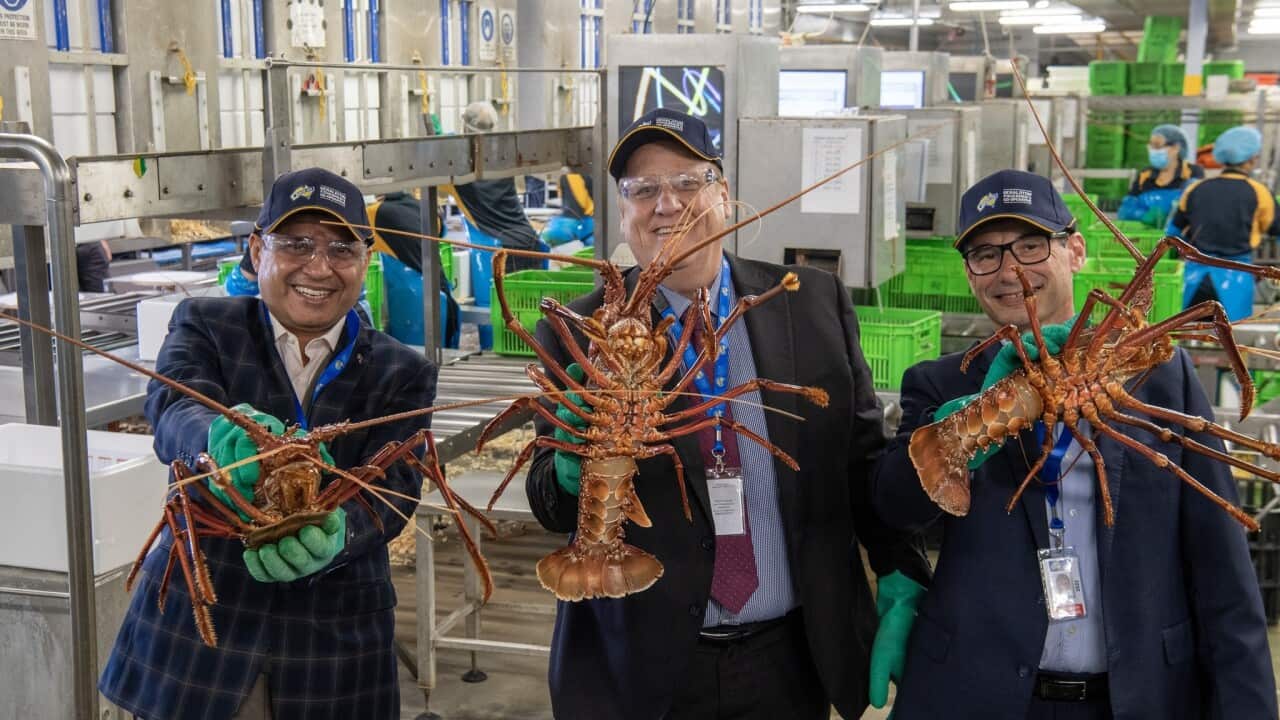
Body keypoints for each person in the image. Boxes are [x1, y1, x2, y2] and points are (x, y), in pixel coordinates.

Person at [523, 108, 931, 720]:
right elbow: (550, 506)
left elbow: (861, 458)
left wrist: (900, 567)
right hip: (644, 663)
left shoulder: (811, 301)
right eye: (643, 190)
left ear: (724, 192)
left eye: (688, 182)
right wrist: (562, 472)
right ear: (623, 211)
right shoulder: (574, 328)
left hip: (792, 657)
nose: (667, 205)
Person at [873, 169, 1276, 719]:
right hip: (978, 694)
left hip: (1136, 696)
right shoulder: (943, 382)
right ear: (969, 274)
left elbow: (1222, 569)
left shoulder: (1162, 375)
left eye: (1032, 245)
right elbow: (894, 507)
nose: (1011, 270)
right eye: (985, 254)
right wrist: (970, 418)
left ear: (1076, 250)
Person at [99, 168, 438, 719]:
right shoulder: (205, 324)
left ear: (366, 259)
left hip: (334, 658)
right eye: (297, 243)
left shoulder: (403, 372)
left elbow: (395, 492)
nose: (319, 267)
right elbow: (169, 408)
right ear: (257, 250)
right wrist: (216, 435)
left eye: (340, 248)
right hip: (196, 652)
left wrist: (340, 534)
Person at [1169, 125, 1280, 321]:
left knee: (1184, 336)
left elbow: (1172, 233)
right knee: (1230, 341)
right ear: (1252, 159)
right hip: (1235, 282)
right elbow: (1277, 230)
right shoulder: (1259, 192)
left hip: (1193, 281)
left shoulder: (1196, 188)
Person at [442, 100, 543, 273]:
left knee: (504, 300)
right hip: (529, 239)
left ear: (465, 127)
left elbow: (435, 185)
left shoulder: (460, 169)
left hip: (502, 249)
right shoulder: (502, 159)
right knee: (529, 299)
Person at [368, 190, 461, 347]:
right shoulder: (423, 206)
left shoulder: (374, 212)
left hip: (410, 297)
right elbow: (441, 231)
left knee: (411, 359)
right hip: (442, 290)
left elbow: (353, 235)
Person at [1118, 124, 1204, 228]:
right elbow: (1126, 209)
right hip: (1148, 235)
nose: (1152, 150)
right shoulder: (1145, 174)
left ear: (1175, 148)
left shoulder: (1192, 172)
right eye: (1150, 145)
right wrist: (1142, 215)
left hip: (1179, 237)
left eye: (1157, 146)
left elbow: (1197, 207)